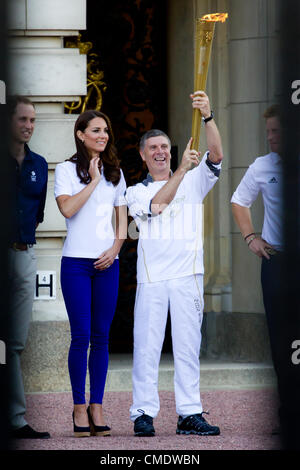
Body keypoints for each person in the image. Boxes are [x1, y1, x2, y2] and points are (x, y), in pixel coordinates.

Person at [125, 91, 223, 437]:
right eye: (153, 148)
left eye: (165, 147)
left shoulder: (195, 180)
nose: (160, 152)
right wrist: (182, 169)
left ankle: (189, 413)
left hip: (188, 277)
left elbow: (218, 156)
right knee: (147, 347)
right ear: (142, 155)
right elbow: (157, 206)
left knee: (186, 348)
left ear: (172, 150)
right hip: (153, 279)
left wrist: (208, 116)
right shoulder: (135, 192)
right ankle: (143, 413)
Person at [54, 110, 127, 437]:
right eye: (96, 130)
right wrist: (93, 181)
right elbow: (67, 209)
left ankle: (97, 405)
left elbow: (122, 220)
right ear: (81, 134)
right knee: (81, 336)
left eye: (106, 130)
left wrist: (115, 249)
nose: (103, 135)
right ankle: (79, 407)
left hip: (107, 265)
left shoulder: (116, 172)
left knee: (101, 337)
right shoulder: (66, 170)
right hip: (76, 265)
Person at [231, 105, 283, 433]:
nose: (271, 137)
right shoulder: (263, 166)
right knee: (280, 338)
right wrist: (251, 237)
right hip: (278, 263)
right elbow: (239, 200)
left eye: (277, 130)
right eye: (268, 132)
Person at [7, 96, 50, 439]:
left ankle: (16, 420)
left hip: (24, 255)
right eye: (23, 119)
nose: (29, 126)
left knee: (15, 343)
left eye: (33, 120)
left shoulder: (39, 164)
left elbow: (38, 216)